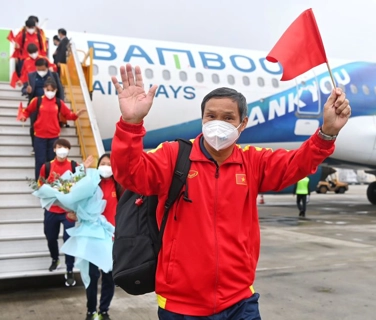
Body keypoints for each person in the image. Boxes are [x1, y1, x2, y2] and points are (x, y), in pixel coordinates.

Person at [110, 64, 351, 319]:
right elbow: (130, 173)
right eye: (210, 116)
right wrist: (130, 124)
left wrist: (328, 132)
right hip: (181, 306)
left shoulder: (252, 162)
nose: (217, 124)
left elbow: (298, 163)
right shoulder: (173, 156)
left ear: (242, 123)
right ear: (201, 119)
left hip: (239, 301)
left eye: (228, 118)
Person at [67, 154, 124, 320]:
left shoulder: (119, 186)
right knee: (91, 275)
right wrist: (75, 215)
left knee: (109, 276)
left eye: (109, 164)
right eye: (103, 164)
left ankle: (103, 310)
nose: (106, 167)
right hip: (92, 236)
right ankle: (91, 310)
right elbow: (76, 199)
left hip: (111, 237)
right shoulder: (91, 185)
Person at [37, 139, 94, 286]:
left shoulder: (74, 166)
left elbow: (80, 184)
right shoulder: (47, 166)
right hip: (52, 211)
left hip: (68, 211)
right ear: (54, 149)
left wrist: (84, 169)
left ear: (69, 150)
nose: (62, 150)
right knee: (50, 237)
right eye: (59, 147)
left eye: (65, 147)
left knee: (69, 240)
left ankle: (69, 270)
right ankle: (55, 258)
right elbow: (40, 185)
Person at [20, 77, 84, 179]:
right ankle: (39, 183)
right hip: (39, 137)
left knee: (51, 162)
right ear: (44, 89)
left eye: (52, 90)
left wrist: (76, 115)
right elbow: (27, 111)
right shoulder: (37, 101)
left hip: (54, 138)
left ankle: (51, 182)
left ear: (56, 90)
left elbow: (68, 115)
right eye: (48, 90)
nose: (50, 92)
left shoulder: (59, 103)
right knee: (40, 162)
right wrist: (23, 116)